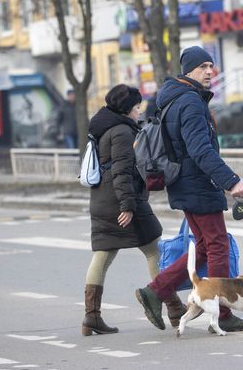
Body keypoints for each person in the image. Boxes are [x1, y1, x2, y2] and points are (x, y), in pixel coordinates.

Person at [135, 46, 243, 333]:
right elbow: (200, 150)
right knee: (217, 246)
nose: (209, 72)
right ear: (188, 70)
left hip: (185, 183)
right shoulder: (189, 102)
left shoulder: (175, 99)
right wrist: (231, 181)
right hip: (198, 183)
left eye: (211, 66)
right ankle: (222, 314)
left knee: (203, 247)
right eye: (202, 67)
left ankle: (156, 290)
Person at [83, 84, 184, 335]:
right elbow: (121, 171)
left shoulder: (103, 126)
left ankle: (91, 316)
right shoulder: (121, 132)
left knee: (103, 255)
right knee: (153, 248)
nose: (139, 111)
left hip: (102, 200)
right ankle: (172, 305)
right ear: (127, 109)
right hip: (124, 201)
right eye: (137, 107)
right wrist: (127, 206)